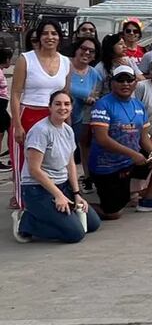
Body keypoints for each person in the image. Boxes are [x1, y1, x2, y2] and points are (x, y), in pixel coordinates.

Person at [11, 91, 101, 243]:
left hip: (62, 185)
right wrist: (58, 195)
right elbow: (34, 169)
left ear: (71, 108)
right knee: (75, 233)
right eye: (57, 104)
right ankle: (26, 222)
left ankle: (55, 217)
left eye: (67, 104)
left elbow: (70, 164)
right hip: (38, 189)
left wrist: (77, 193)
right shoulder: (40, 131)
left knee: (92, 224)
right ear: (49, 107)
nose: (62, 108)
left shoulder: (67, 130)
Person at [89, 65, 152, 217]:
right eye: (120, 80)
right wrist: (133, 155)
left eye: (129, 80)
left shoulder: (138, 105)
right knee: (113, 214)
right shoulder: (103, 104)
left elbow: (143, 137)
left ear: (136, 83)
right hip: (108, 166)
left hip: (131, 162)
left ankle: (147, 200)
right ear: (112, 82)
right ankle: (78, 204)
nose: (125, 84)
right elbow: (102, 139)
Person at [9, 20, 71, 210]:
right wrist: (17, 125)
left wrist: (66, 125)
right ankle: (22, 208)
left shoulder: (66, 61)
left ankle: (52, 200)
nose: (50, 37)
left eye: (54, 33)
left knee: (53, 162)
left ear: (60, 37)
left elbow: (65, 95)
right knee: (24, 164)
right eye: (45, 33)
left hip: (54, 117)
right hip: (28, 115)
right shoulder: (26, 59)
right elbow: (16, 93)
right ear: (39, 37)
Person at [67, 37, 102, 189]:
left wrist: (92, 99)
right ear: (76, 49)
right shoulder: (64, 66)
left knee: (71, 153)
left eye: (91, 51)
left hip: (79, 118)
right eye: (83, 48)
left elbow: (95, 93)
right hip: (60, 117)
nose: (87, 52)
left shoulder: (94, 73)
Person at [0, 46, 12, 171]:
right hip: (0, 106)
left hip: (2, 105)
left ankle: (11, 153)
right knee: (1, 132)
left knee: (10, 128)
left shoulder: (1, 71)